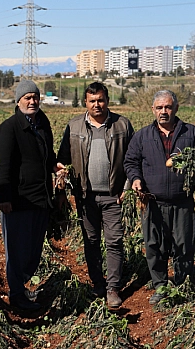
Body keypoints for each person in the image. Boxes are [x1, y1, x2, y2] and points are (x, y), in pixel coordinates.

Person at [124, 90, 195, 305]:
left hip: (182, 201)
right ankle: (161, 286)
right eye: (160, 107)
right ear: (153, 109)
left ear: (176, 108)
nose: (164, 111)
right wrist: (135, 179)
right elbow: (130, 162)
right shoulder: (142, 136)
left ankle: (181, 286)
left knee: (184, 245)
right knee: (154, 245)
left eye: (168, 107)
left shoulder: (191, 133)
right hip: (152, 201)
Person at [56, 82, 135, 310]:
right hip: (85, 196)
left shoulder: (122, 125)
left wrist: (127, 188)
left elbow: (133, 159)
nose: (97, 105)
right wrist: (62, 190)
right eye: (92, 101)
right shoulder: (74, 127)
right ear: (85, 103)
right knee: (91, 242)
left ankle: (113, 288)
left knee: (114, 241)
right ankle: (97, 283)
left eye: (100, 100)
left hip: (114, 196)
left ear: (107, 100)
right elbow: (63, 162)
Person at [0, 80, 58, 311]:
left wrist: (55, 166)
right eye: (27, 97)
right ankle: (17, 296)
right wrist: (4, 198)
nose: (32, 101)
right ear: (18, 100)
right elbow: (2, 167)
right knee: (17, 250)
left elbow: (47, 154)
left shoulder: (43, 123)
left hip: (41, 198)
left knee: (34, 250)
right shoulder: (9, 128)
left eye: (35, 97)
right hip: (19, 200)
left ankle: (22, 285)